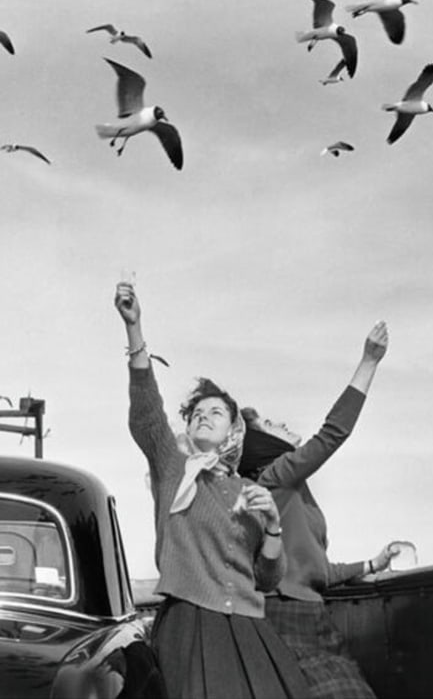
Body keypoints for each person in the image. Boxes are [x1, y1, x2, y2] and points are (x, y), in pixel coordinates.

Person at [115, 279, 311, 699]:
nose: (204, 416)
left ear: (232, 431)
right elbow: (147, 414)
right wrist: (135, 332)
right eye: (197, 412)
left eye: (216, 412)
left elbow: (266, 577)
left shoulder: (247, 489)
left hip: (248, 631)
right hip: (189, 627)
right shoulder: (173, 468)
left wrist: (273, 528)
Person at [238, 322, 397, 699]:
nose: (284, 424)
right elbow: (333, 433)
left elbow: (317, 570)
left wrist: (372, 565)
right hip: (285, 617)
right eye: (271, 424)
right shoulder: (274, 477)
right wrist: (369, 361)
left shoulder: (290, 489)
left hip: (313, 617)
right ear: (261, 442)